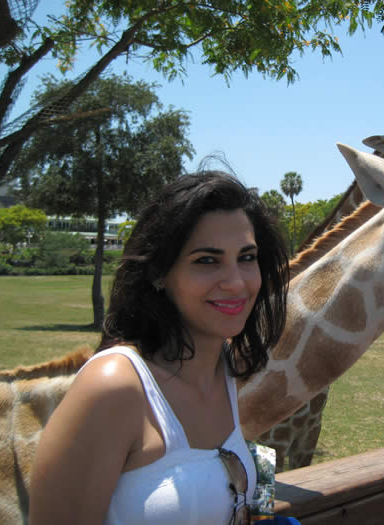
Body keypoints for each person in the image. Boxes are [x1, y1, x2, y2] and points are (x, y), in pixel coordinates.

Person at [29, 172, 289, 524]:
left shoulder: (229, 371)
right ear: (158, 273)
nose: (237, 282)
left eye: (246, 257)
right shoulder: (114, 387)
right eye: (207, 260)